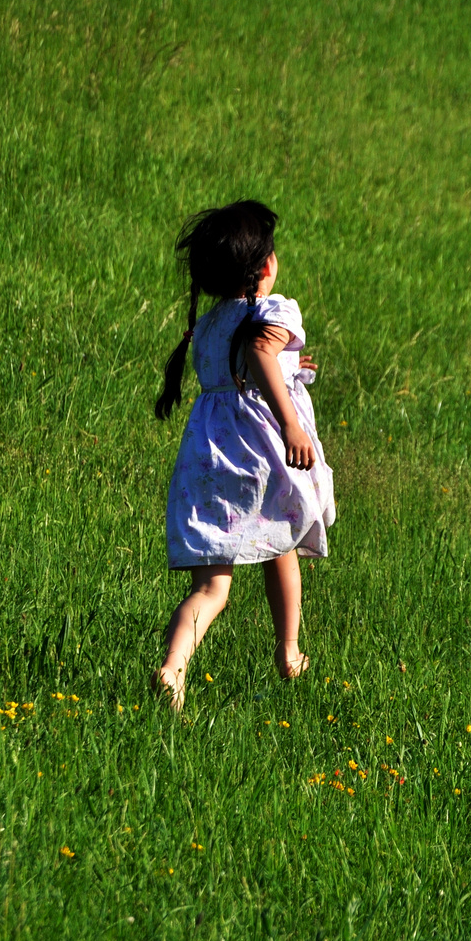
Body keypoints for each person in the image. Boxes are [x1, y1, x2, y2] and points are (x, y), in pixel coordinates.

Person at [150, 200, 335, 710]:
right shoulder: (274, 310)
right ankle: (289, 650)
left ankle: (174, 666)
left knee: (212, 588)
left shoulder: (207, 326)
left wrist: (289, 363)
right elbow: (256, 353)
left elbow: (249, 361)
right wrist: (291, 423)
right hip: (260, 455)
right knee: (286, 538)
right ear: (267, 266)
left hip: (210, 462)